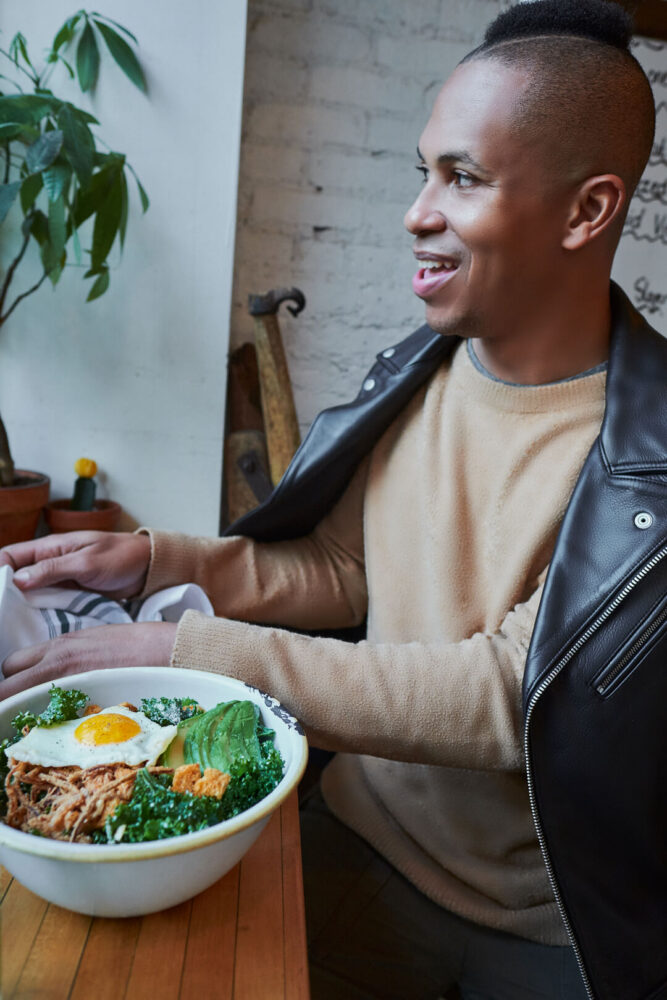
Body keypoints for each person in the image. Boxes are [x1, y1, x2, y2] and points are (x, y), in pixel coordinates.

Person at [1, 2, 665, 997]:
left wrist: (185, 648)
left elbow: (506, 691)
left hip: (546, 931)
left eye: (463, 178)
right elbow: (345, 569)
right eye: (422, 169)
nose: (417, 210)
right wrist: (163, 561)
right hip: (351, 851)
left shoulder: (650, 461)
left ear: (586, 211)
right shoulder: (419, 373)